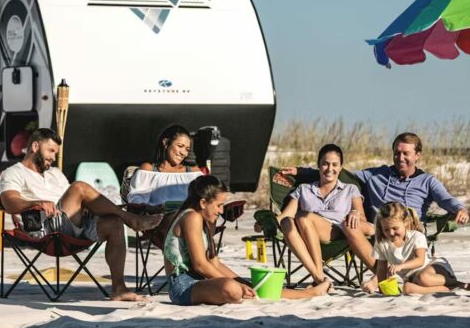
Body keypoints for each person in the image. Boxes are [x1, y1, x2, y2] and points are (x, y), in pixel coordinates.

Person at [0, 128, 162, 302]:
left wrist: (86, 207)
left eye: (56, 153)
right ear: (35, 146)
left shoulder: (55, 173)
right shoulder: (13, 173)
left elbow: (72, 201)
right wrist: (35, 203)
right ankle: (130, 218)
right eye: (51, 151)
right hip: (45, 229)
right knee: (79, 187)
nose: (54, 158)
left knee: (114, 223)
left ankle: (119, 288)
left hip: (73, 225)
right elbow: (9, 202)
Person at [164, 175, 331, 305]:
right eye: (219, 205)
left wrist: (242, 282)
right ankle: (311, 293)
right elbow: (200, 264)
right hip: (183, 285)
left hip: (201, 281)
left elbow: (214, 263)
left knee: (252, 288)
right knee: (233, 289)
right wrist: (235, 284)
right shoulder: (191, 217)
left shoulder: (205, 221)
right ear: (203, 202)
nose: (221, 211)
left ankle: (310, 293)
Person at [277, 132, 469, 225]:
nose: (400, 158)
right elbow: (340, 174)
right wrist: (302, 172)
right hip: (379, 232)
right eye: (397, 153)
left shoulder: (427, 181)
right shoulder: (377, 175)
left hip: (409, 231)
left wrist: (459, 209)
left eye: (406, 154)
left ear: (417, 155)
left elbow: (445, 199)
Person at [276, 144, 375, 286]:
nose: (330, 169)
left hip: (338, 232)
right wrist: (268, 221)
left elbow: (362, 219)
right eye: (325, 164)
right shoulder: (303, 189)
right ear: (318, 166)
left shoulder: (350, 189)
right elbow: (286, 215)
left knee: (303, 216)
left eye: (335, 165)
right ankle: (319, 277)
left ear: (341, 167)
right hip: (306, 233)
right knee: (286, 222)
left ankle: (318, 275)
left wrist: (355, 212)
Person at [363, 201, 463, 294]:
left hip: (435, 269)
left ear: (405, 222)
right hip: (413, 278)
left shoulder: (416, 237)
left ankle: (454, 283)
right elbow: (381, 268)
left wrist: (401, 266)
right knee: (407, 288)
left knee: (423, 278)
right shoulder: (382, 243)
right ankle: (444, 289)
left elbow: (420, 260)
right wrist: (382, 288)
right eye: (386, 230)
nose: (391, 233)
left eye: (395, 228)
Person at [127, 124, 205, 206]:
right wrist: (151, 209)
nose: (184, 153)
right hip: (157, 217)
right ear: (165, 142)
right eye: (180, 146)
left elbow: (206, 199)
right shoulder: (148, 169)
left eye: (187, 149)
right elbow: (136, 199)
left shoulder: (194, 172)